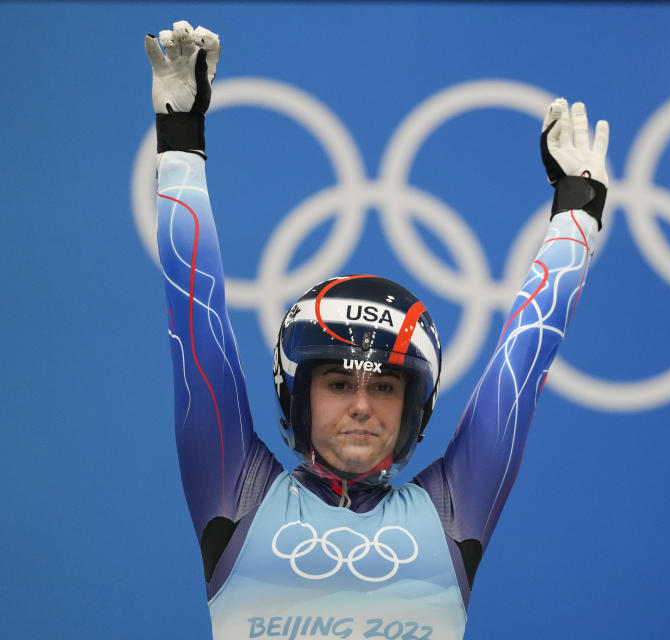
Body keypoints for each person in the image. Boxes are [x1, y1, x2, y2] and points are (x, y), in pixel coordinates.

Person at [147, 19, 609, 640]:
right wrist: (180, 144)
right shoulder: (238, 494)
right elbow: (195, 315)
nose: (363, 405)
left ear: (415, 404)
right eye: (339, 382)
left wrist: (577, 213)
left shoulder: (452, 511)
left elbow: (523, 358)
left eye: (386, 386)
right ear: (297, 393)